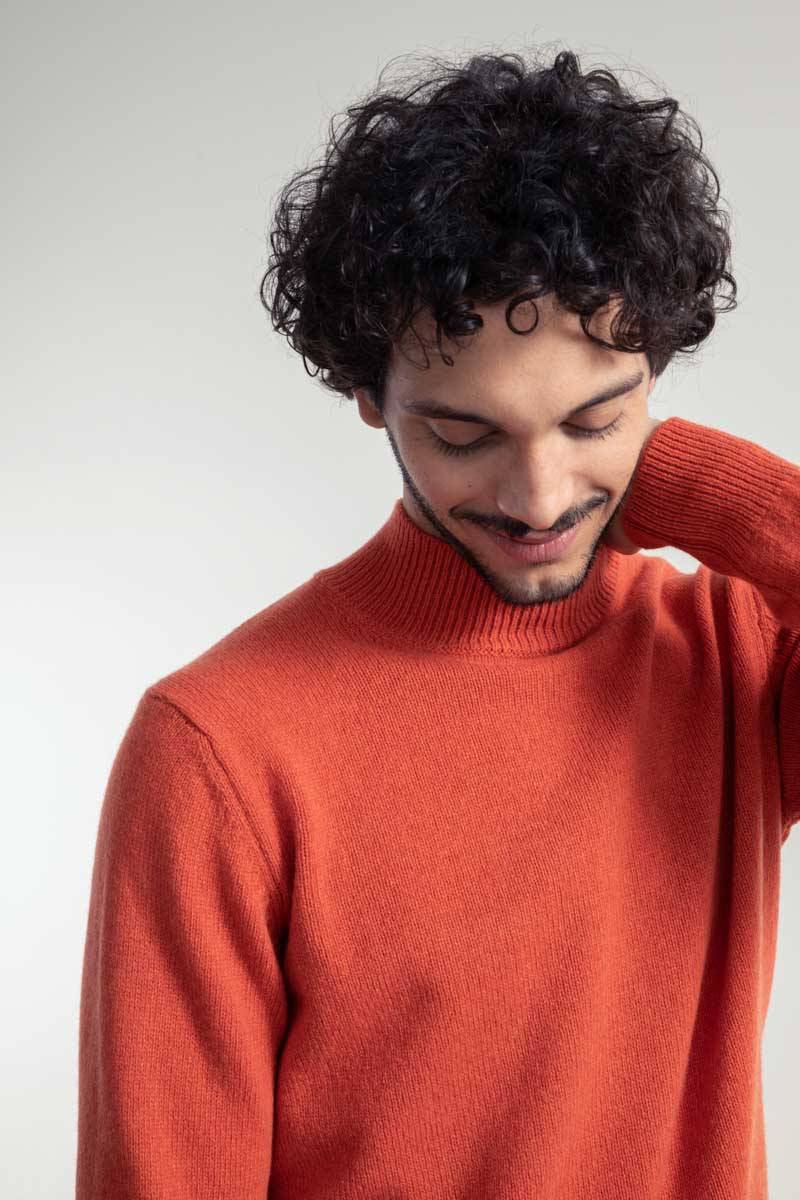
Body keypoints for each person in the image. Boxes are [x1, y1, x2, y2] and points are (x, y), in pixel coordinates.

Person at [75, 46, 799, 1199]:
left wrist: (686, 486)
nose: (538, 499)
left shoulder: (730, 656)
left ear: (656, 373)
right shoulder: (217, 749)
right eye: (465, 435)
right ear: (367, 396)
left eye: (594, 422)